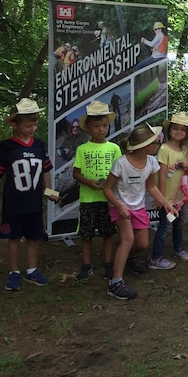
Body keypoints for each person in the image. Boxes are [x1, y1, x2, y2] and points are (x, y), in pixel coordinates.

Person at [102, 123, 177, 300]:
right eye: (155, 142)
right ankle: (115, 283)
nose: (158, 144)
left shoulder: (151, 162)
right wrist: (119, 206)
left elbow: (151, 187)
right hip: (119, 207)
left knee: (142, 244)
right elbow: (106, 189)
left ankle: (124, 258)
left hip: (138, 208)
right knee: (128, 238)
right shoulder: (121, 163)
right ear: (145, 146)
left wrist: (166, 203)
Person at [0, 99, 58, 291]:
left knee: (34, 237)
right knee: (14, 238)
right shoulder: (6, 147)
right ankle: (14, 273)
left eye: (35, 124)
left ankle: (32, 270)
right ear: (14, 125)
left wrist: (49, 191)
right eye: (28, 125)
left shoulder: (39, 145)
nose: (32, 128)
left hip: (33, 203)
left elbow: (46, 171)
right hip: (13, 204)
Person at [73, 101, 120, 281]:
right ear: (88, 128)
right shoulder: (82, 149)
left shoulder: (114, 148)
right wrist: (89, 182)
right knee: (87, 234)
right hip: (88, 199)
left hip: (108, 199)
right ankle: (86, 265)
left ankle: (108, 264)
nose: (101, 129)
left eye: (105, 125)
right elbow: (76, 174)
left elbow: (119, 172)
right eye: (96, 126)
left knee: (108, 232)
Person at [149, 111, 188, 270]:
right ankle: (156, 258)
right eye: (176, 128)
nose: (179, 132)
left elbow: (186, 173)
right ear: (169, 130)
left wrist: (187, 167)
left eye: (183, 129)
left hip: (180, 197)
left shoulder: (185, 150)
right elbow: (161, 174)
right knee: (164, 227)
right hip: (167, 198)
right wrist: (162, 198)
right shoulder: (164, 149)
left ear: (187, 133)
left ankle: (178, 248)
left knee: (179, 224)